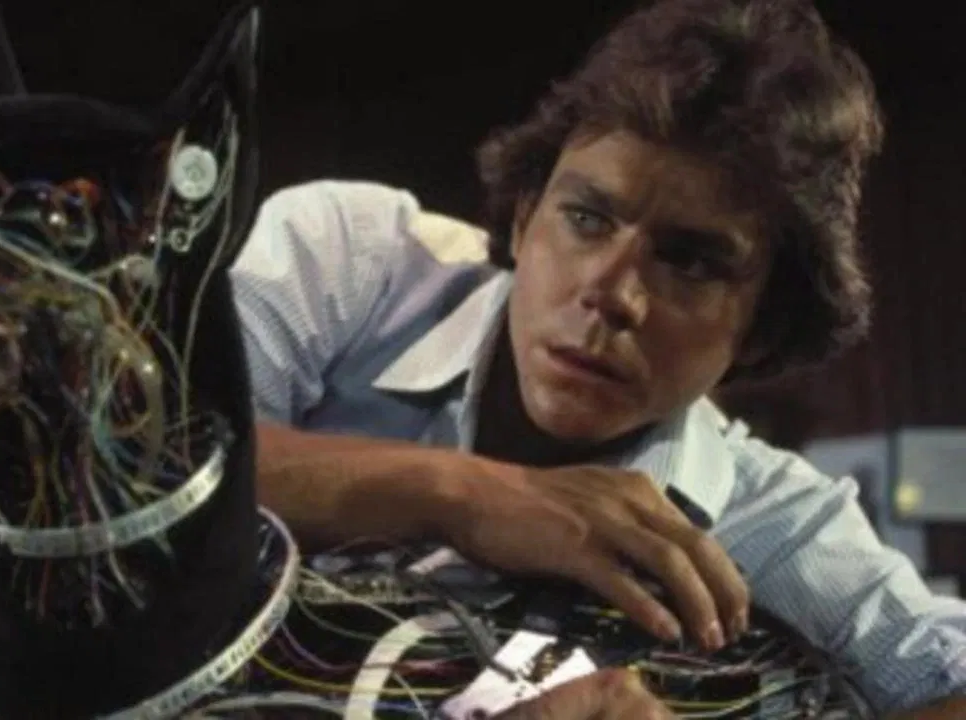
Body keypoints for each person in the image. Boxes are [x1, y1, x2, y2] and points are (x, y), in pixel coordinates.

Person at [230, 0, 966, 718]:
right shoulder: (353, 265)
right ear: (525, 216)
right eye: (586, 218)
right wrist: (466, 495)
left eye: (689, 262)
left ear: (763, 331)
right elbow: (167, 472)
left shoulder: (770, 519)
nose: (612, 294)